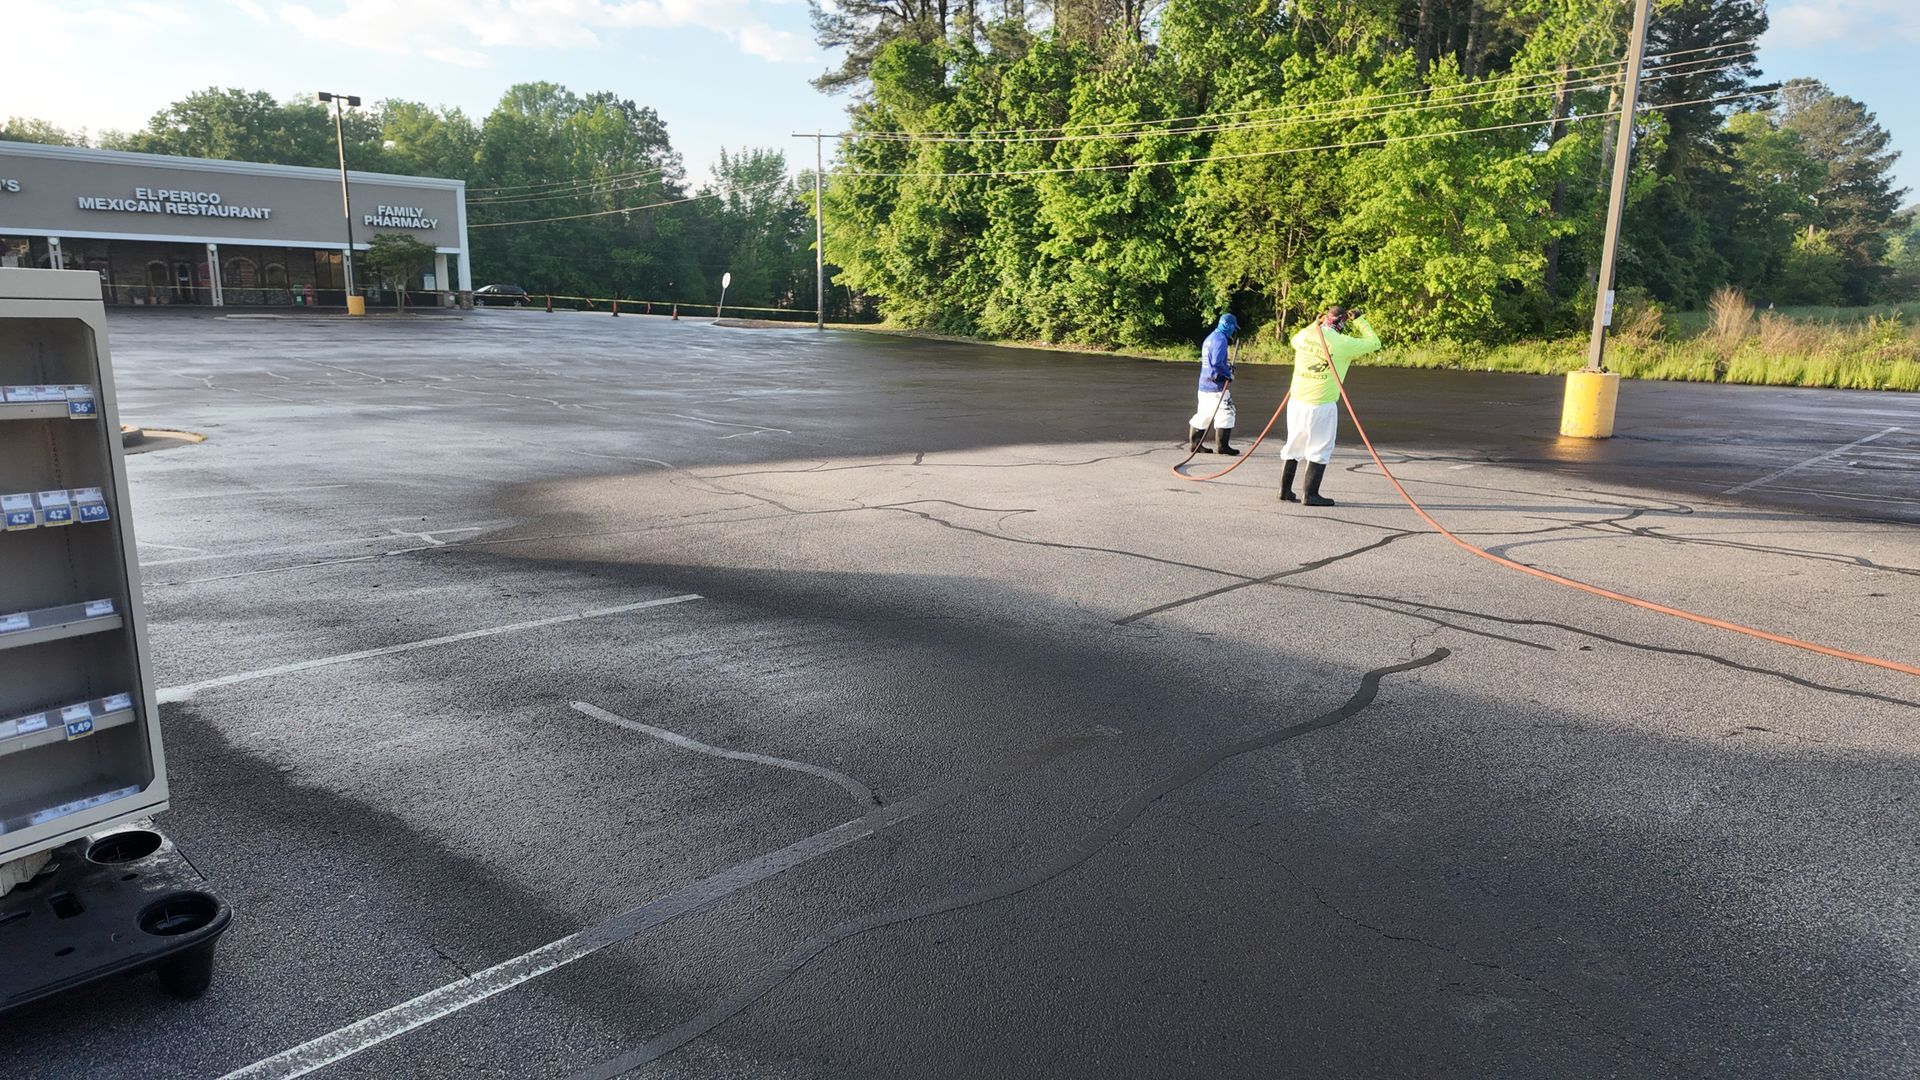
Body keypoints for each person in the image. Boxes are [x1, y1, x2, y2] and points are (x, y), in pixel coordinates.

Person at [1279, 305, 1380, 506]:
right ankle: (1311, 495)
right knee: (1320, 447)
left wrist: (1314, 323)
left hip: (1297, 402)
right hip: (1321, 404)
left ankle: (1285, 490)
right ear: (1342, 322)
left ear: (1324, 318)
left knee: (1294, 444)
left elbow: (1294, 340)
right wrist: (1360, 320)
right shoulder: (1343, 343)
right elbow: (1374, 342)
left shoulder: (1304, 335)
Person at [1187, 313, 1239, 455]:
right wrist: (1228, 374)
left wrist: (1227, 366)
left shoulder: (1211, 338)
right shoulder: (1221, 339)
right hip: (1216, 385)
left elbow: (1213, 361)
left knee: (1204, 413)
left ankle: (1195, 444)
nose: (1234, 331)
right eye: (1234, 328)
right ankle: (1223, 446)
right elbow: (1216, 363)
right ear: (1229, 326)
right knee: (1227, 412)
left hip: (1204, 383)